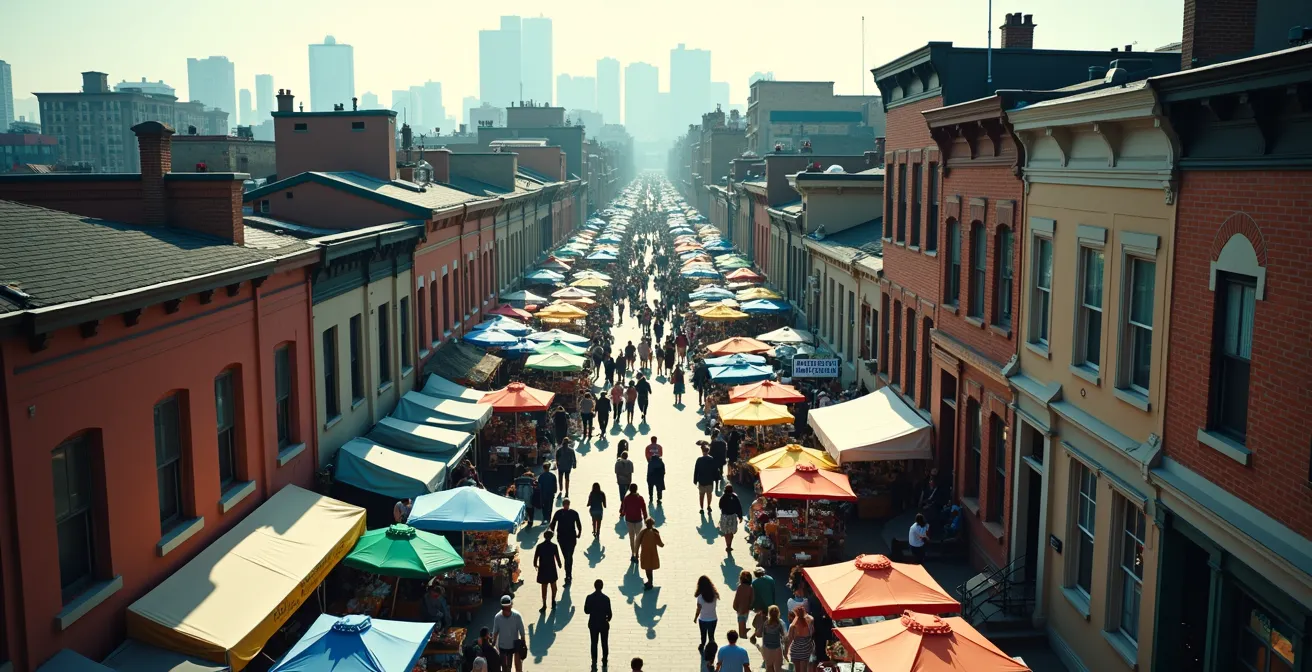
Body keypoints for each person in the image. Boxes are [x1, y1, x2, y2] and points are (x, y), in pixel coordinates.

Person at [550, 498, 583, 583]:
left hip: (571, 537)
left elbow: (578, 524)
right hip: (562, 538)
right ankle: (568, 573)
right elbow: (553, 523)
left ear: (569, 504)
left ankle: (568, 574)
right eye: (565, 504)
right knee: (566, 556)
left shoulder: (573, 513)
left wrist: (579, 533)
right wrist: (552, 532)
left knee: (569, 556)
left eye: (567, 504)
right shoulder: (559, 513)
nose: (566, 506)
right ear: (563, 505)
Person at [491, 595, 526, 672]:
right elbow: (495, 632)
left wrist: (523, 644)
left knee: (518, 666)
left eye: (508, 608)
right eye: (505, 609)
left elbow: (522, 632)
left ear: (511, 606)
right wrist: (493, 644)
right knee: (506, 668)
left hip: (515, 645)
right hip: (504, 647)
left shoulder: (517, 616)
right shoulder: (497, 617)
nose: (507, 611)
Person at [584, 579, 612, 668]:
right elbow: (610, 614)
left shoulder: (589, 597)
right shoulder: (606, 598)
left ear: (594, 586)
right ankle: (604, 659)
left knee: (594, 643)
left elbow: (586, 611)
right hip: (603, 623)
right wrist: (607, 619)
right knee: (604, 642)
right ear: (602, 587)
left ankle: (594, 660)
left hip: (593, 623)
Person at [534, 529, 562, 611]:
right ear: (552, 537)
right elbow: (557, 556)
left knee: (544, 587)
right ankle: (553, 600)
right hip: (552, 568)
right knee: (554, 586)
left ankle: (544, 604)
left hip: (543, 568)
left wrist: (535, 564)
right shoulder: (554, 546)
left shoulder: (539, 546)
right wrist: (559, 564)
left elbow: (536, 557)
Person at [750, 567, 777, 643]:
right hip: (771, 604)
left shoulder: (755, 583)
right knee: (768, 621)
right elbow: (773, 592)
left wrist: (753, 607)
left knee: (764, 622)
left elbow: (755, 596)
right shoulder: (770, 579)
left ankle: (756, 635)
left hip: (761, 606)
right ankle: (757, 636)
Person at [621, 484, 648, 561]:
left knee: (631, 538)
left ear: (629, 489)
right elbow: (644, 509)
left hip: (629, 520)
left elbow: (624, 509)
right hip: (638, 520)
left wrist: (622, 513)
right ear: (636, 489)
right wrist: (645, 518)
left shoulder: (627, 498)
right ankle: (637, 553)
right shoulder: (640, 498)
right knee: (638, 538)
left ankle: (633, 553)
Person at [785, 605, 816, 672]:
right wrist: (805, 614)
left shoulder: (792, 626)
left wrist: (785, 651)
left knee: (796, 670)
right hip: (806, 650)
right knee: (804, 669)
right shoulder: (810, 622)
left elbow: (789, 640)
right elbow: (811, 619)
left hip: (795, 650)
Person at [694, 575, 720, 653]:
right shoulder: (715, 595)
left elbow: (698, 609)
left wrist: (695, 618)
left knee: (703, 634)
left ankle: (702, 645)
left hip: (703, 619)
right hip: (713, 619)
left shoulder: (700, 597)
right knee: (711, 635)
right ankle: (712, 648)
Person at [635, 517, 663, 590]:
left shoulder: (643, 532)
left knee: (647, 569)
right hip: (653, 553)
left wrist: (636, 553)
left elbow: (637, 543)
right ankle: (650, 582)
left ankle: (650, 582)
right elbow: (660, 544)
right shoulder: (655, 532)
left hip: (645, 554)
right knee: (650, 569)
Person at [718, 484, 744, 553]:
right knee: (731, 532)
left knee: (727, 532)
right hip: (732, 516)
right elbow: (739, 507)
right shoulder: (735, 497)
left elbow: (720, 506)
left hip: (725, 517)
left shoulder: (723, 497)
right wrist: (740, 516)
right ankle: (729, 545)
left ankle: (728, 545)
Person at [759, 606, 786, 672]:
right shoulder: (779, 624)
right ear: (778, 613)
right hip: (777, 649)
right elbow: (783, 636)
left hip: (767, 648)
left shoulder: (765, 624)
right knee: (778, 668)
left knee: (768, 667)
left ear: (769, 613)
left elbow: (759, 634)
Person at [693, 442, 718, 514]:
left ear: (702, 451)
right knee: (709, 495)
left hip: (701, 481)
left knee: (701, 495)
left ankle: (701, 508)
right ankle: (709, 506)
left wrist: (695, 480)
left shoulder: (699, 460)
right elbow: (715, 470)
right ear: (708, 451)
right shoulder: (711, 459)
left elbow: (696, 470)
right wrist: (716, 479)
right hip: (709, 481)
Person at [732, 570, 754, 637]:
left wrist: (735, 606)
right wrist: (750, 607)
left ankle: (744, 632)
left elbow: (737, 598)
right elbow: (752, 599)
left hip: (740, 610)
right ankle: (744, 630)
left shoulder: (740, 587)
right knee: (744, 621)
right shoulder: (750, 588)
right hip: (746, 610)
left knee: (741, 632)